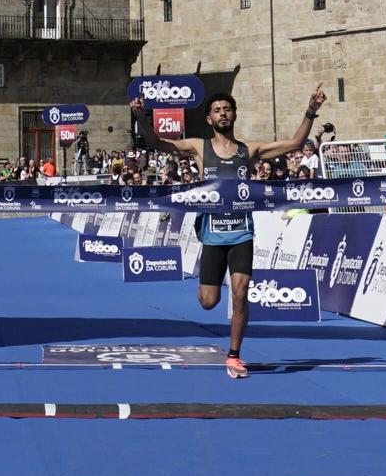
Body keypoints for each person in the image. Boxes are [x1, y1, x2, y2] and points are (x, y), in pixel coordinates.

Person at [132, 86, 326, 378]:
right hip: (212, 233)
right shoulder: (199, 147)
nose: (223, 113)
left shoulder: (250, 150)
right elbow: (158, 143)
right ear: (209, 119)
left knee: (241, 293)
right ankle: (210, 297)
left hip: (241, 232)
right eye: (217, 110)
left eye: (227, 109)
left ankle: (234, 355)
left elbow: (296, 143)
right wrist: (141, 117)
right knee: (208, 302)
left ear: (234, 114)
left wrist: (311, 110)